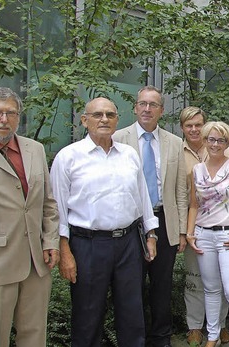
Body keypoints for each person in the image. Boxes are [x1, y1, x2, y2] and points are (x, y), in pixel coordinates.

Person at [52, 97, 159, 346]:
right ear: (84, 120)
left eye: (110, 115)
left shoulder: (129, 155)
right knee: (87, 315)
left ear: (117, 120)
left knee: (132, 313)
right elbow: (57, 209)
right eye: (98, 114)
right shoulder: (68, 157)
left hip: (129, 243)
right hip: (87, 245)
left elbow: (142, 196)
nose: (104, 119)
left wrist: (151, 234)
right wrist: (64, 249)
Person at [0, 87, 60, 346]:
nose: (4, 119)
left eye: (11, 113)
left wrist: (50, 241)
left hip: (36, 264)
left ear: (19, 116)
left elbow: (48, 203)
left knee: (34, 337)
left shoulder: (34, 150)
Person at [113, 86, 188, 347]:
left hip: (164, 219)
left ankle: (161, 337)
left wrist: (180, 231)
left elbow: (180, 189)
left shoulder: (175, 142)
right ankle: (135, 338)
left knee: (161, 284)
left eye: (153, 105)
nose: (147, 109)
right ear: (135, 107)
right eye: (142, 104)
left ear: (161, 111)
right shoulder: (118, 139)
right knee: (131, 284)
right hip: (131, 223)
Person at [187, 121, 229, 347]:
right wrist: (190, 233)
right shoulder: (196, 170)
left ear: (227, 142)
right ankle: (213, 336)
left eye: (221, 140)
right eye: (211, 139)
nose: (215, 144)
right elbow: (194, 206)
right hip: (203, 236)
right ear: (204, 141)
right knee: (211, 289)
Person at [179, 107, 229, 345]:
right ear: (182, 127)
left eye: (198, 125)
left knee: (219, 280)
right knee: (193, 278)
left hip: (221, 227)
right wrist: (185, 231)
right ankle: (194, 326)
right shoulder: (176, 151)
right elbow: (182, 196)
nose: (194, 129)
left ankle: (219, 324)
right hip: (194, 226)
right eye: (189, 125)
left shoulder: (224, 149)